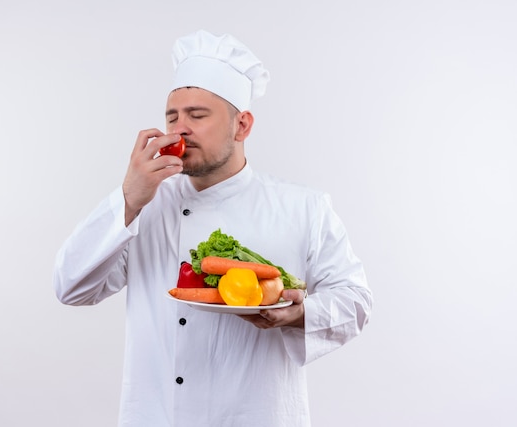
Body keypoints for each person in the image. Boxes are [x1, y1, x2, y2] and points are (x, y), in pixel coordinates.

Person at [53, 29, 372, 427]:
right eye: (172, 116)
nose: (180, 128)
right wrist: (128, 199)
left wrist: (300, 313)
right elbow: (70, 287)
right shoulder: (144, 207)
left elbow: (356, 302)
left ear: (242, 125)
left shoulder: (303, 207)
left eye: (197, 115)